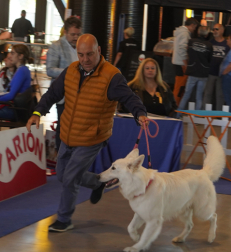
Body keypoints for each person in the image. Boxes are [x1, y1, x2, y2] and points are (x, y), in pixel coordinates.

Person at [26, 34, 148, 233]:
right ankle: (97, 183)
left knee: (70, 178)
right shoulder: (71, 71)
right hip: (67, 134)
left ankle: (64, 219)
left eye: (90, 54)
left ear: (99, 51)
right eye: (81, 55)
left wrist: (140, 114)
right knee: (63, 175)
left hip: (92, 137)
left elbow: (129, 97)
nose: (85, 59)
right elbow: (52, 94)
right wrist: (37, 112)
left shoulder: (112, 76)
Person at [46, 16, 82, 152]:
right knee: (63, 127)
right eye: (73, 34)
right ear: (65, 32)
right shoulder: (56, 46)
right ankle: (61, 158)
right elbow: (50, 70)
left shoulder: (82, 46)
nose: (76, 37)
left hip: (81, 94)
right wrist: (71, 72)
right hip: (63, 94)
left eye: (78, 34)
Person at [177, 26, 212, 114]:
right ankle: (196, 117)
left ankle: (178, 115)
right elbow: (209, 59)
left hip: (192, 71)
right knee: (199, 96)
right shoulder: (209, 45)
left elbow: (188, 53)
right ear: (207, 34)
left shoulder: (191, 41)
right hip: (203, 73)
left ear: (198, 32)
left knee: (186, 94)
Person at [0, 44, 32, 120]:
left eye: (12, 53)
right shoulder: (23, 70)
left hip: (15, 110)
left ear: (20, 56)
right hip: (17, 108)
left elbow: (11, 95)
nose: (10, 56)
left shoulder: (21, 71)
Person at [172, 18, 199, 104]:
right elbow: (182, 49)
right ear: (192, 25)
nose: (194, 30)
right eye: (194, 27)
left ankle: (174, 106)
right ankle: (175, 107)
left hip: (177, 62)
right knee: (180, 87)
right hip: (181, 63)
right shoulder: (185, 34)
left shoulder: (180, 32)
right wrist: (186, 63)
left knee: (178, 87)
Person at [203, 23, 229, 110]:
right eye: (213, 29)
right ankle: (205, 114)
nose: (214, 31)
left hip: (221, 73)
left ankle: (218, 114)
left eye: (216, 29)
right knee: (207, 93)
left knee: (220, 95)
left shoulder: (227, 44)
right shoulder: (209, 43)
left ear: (222, 31)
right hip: (210, 72)